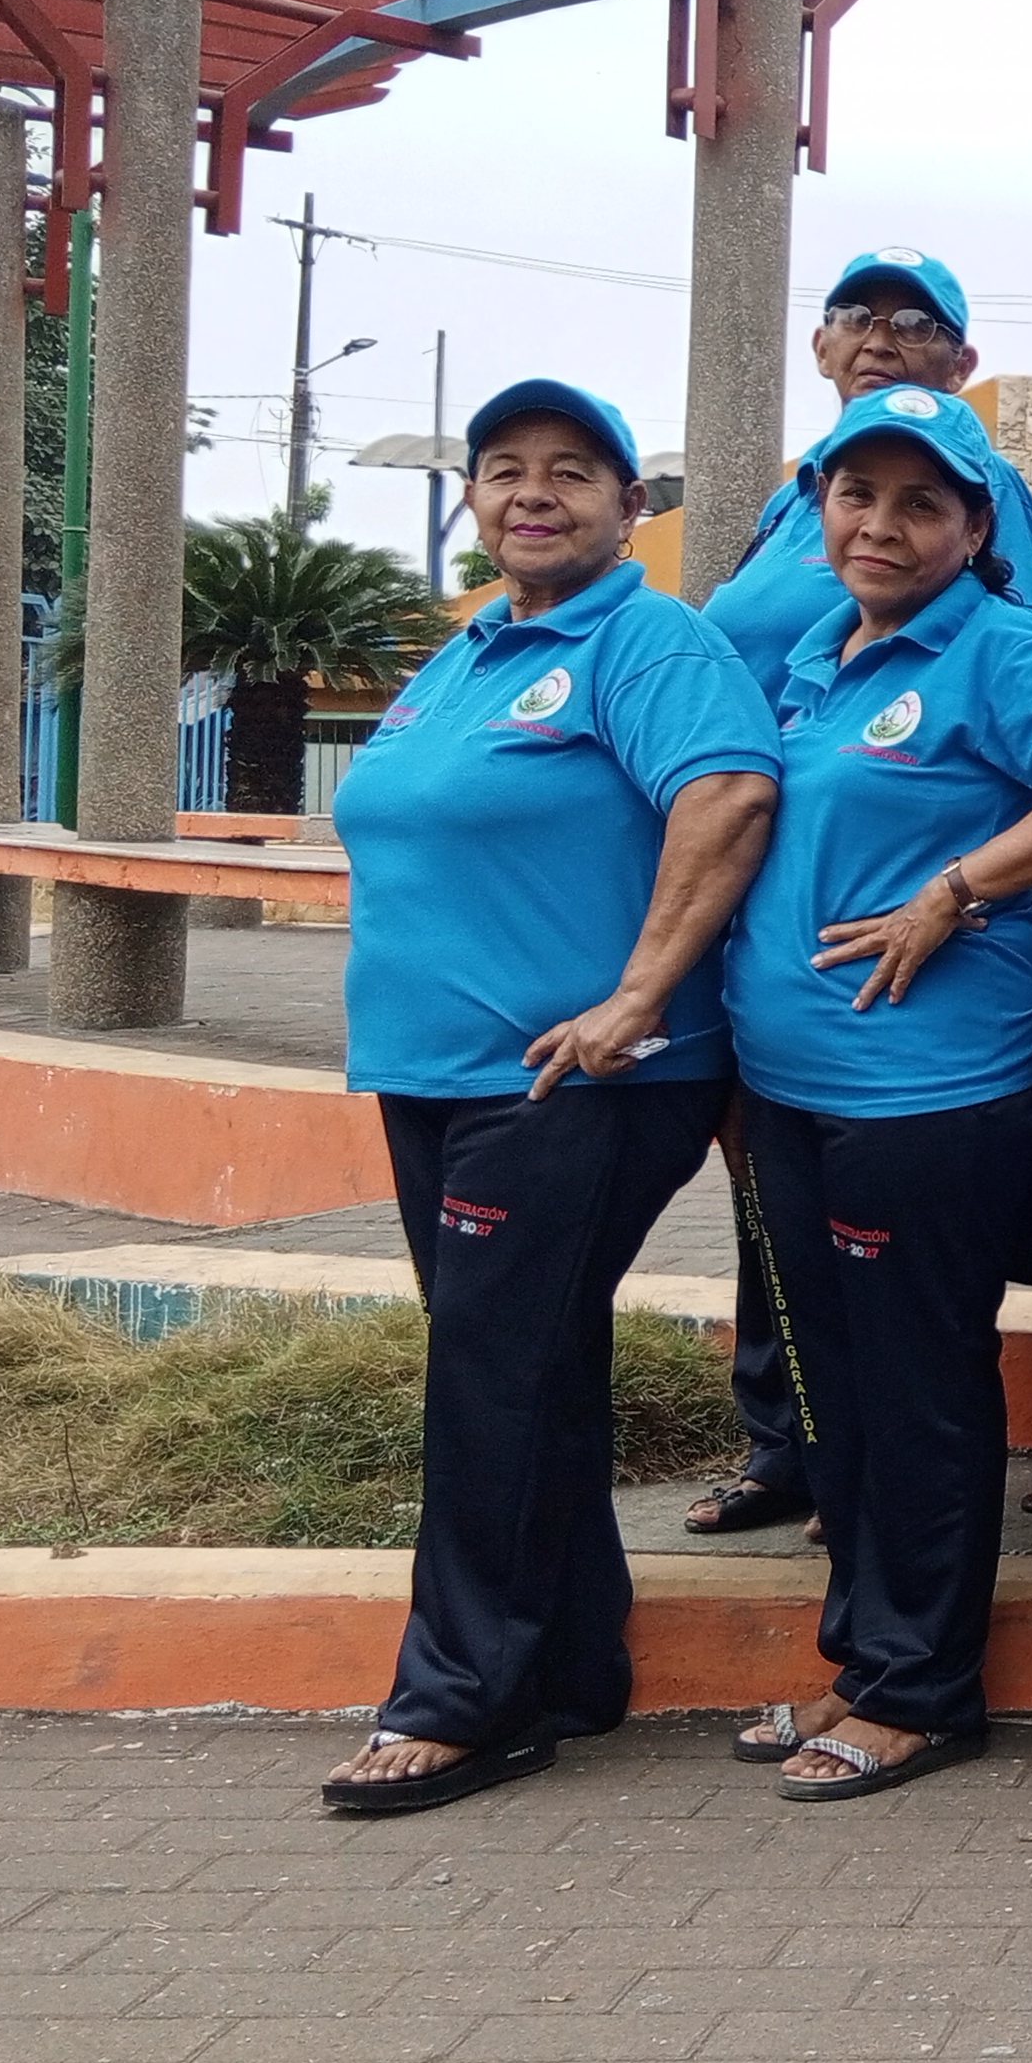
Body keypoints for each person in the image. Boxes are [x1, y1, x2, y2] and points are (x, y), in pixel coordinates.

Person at [321, 382, 782, 1815]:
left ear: (630, 506)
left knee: (489, 1377)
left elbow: (729, 798)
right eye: (506, 468)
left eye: (572, 471)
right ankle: (570, 1667)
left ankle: (464, 1701)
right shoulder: (467, 650)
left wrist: (638, 995)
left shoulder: (647, 641)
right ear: (471, 497)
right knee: (524, 1364)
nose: (534, 492)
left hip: (579, 1076)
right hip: (440, 1075)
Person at [722, 384, 1032, 1799]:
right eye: (857, 495)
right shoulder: (820, 653)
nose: (881, 524)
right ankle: (865, 1656)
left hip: (921, 1099)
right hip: (793, 1091)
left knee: (915, 1392)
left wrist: (959, 887)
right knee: (843, 1395)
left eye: (921, 503)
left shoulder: (994, 648)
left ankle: (923, 1688)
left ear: (976, 528)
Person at [704, 248, 1032, 697]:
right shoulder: (794, 493)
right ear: (822, 348)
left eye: (914, 325)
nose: (878, 343)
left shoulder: (981, 481)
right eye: (856, 319)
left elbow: (1024, 666)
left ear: (960, 367)